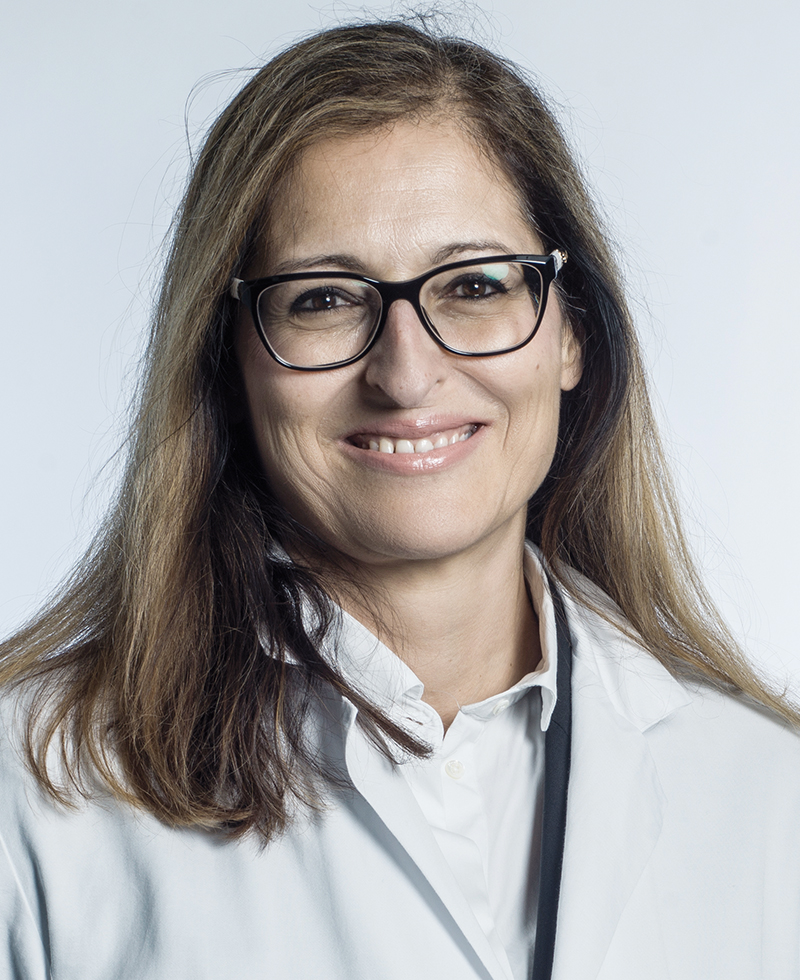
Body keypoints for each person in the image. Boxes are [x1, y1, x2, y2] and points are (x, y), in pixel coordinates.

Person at [1, 18, 799, 980]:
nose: (407, 374)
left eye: (475, 285)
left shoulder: (769, 794)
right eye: (324, 298)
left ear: (571, 332)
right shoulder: (32, 788)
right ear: (228, 363)